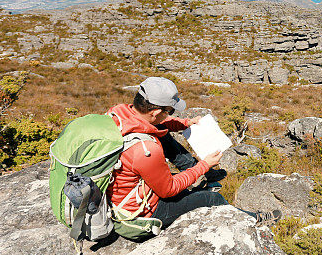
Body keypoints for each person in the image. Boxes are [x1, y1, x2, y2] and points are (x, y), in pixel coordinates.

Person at [107, 76, 280, 233]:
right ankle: (253, 220)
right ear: (155, 111)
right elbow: (169, 190)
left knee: (163, 134)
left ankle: (203, 177)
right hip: (140, 212)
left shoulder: (119, 113)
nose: (170, 114)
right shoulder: (146, 150)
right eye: (170, 111)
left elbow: (158, 123)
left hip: (122, 191)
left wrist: (185, 123)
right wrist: (204, 165)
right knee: (212, 198)